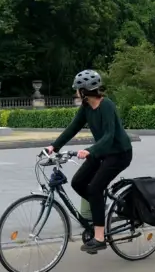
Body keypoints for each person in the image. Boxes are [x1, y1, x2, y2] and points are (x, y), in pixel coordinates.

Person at [45, 69, 133, 254]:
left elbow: (109, 136)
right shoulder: (86, 106)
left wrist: (90, 151)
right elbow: (73, 127)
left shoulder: (107, 105)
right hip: (102, 152)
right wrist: (55, 146)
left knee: (94, 188)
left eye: (78, 89)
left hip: (119, 154)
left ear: (85, 90)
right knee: (78, 182)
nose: (76, 92)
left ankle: (100, 238)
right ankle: (99, 207)